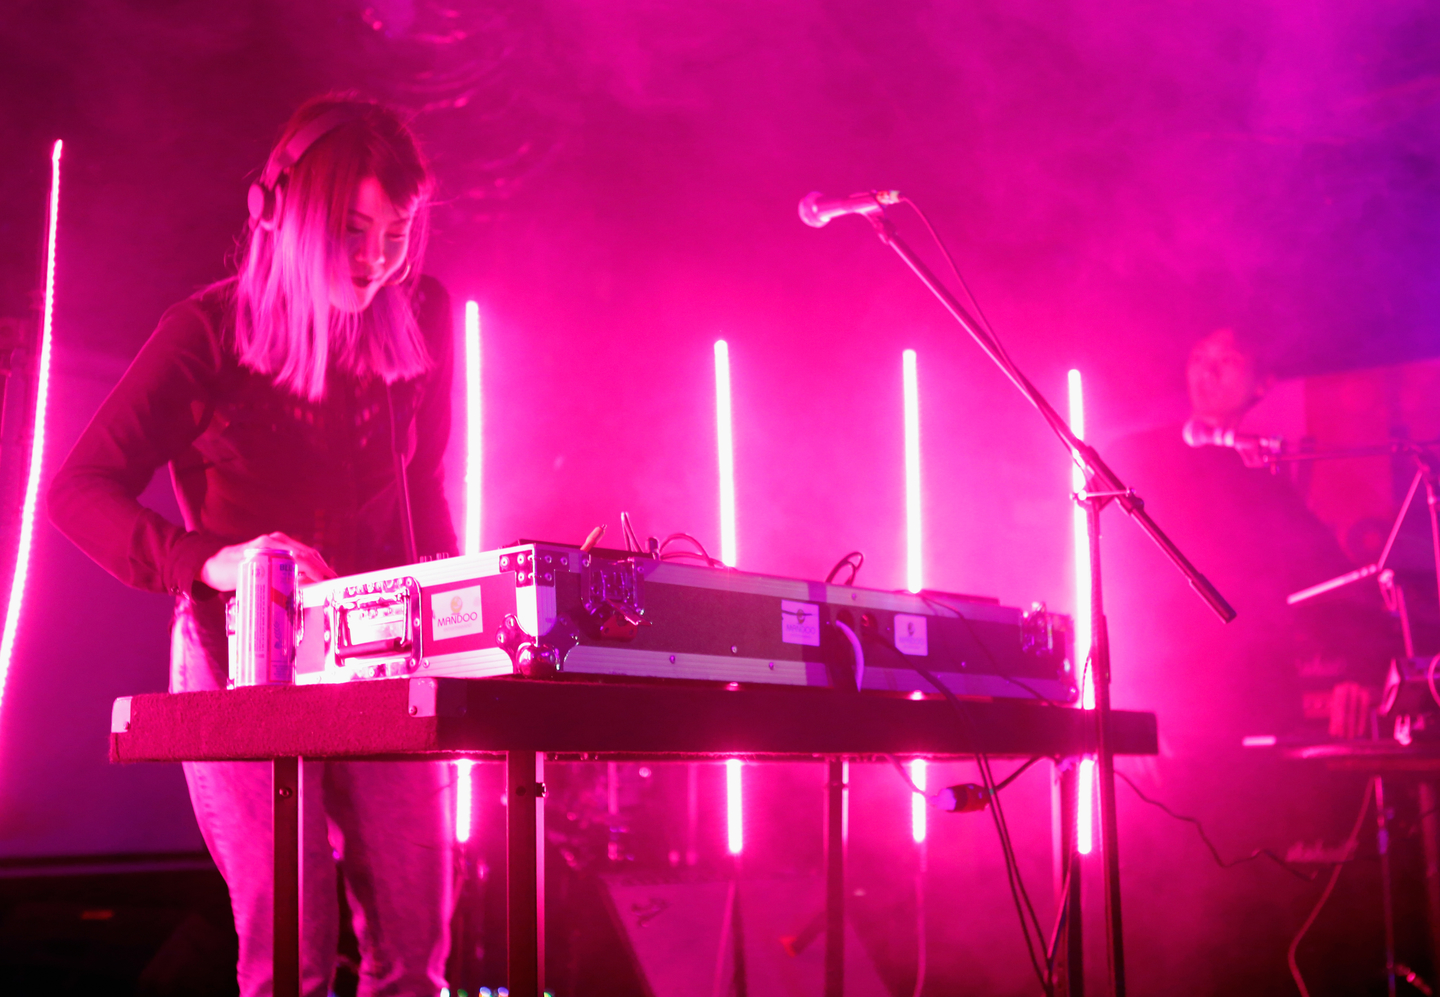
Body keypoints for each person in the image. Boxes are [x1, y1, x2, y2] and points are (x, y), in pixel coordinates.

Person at [48, 95, 458, 996]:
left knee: (416, 955)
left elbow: (423, 492)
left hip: (386, 657)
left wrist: (470, 620)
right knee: (290, 960)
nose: (379, 259)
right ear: (279, 211)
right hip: (243, 660)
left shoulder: (421, 314)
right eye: (353, 228)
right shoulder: (203, 331)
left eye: (397, 232)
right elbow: (76, 492)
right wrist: (210, 559)